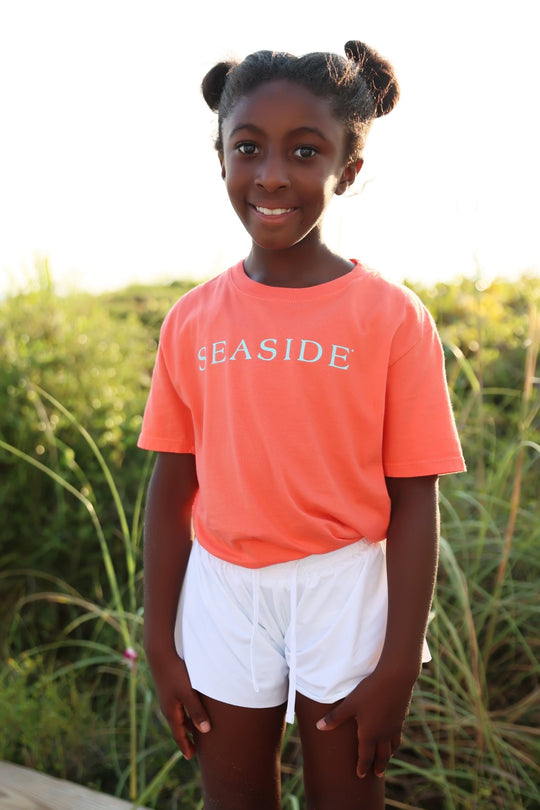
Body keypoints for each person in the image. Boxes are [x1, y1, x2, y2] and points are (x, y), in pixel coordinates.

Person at [138, 40, 466, 810]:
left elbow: (415, 498)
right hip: (223, 592)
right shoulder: (191, 319)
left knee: (348, 798)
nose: (273, 174)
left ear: (347, 170)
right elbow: (172, 482)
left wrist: (394, 668)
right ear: (219, 155)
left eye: (305, 150)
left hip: (345, 586)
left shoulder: (392, 318)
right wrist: (160, 641)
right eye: (247, 147)